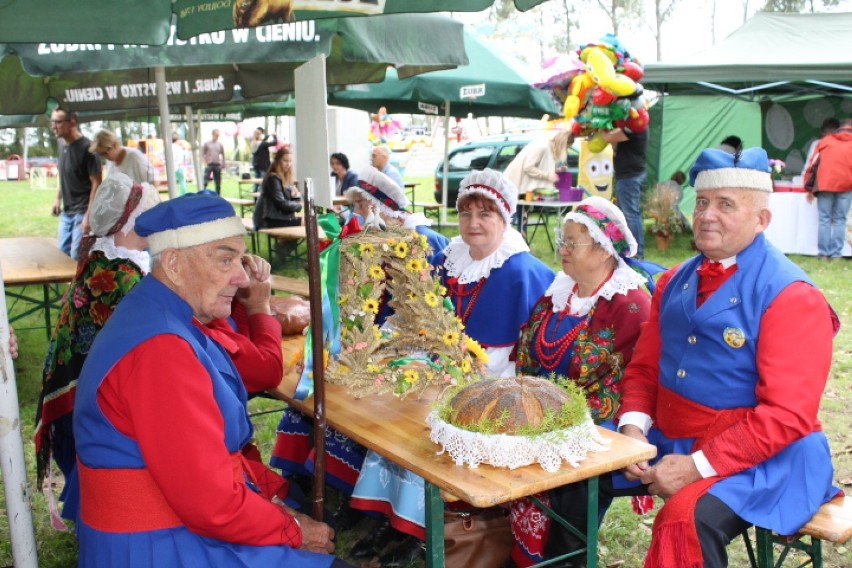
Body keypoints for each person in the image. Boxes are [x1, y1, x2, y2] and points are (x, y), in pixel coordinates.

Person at [72, 192, 349, 567]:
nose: (240, 276)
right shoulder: (161, 350)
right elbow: (212, 506)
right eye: (224, 259)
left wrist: (278, 504)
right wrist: (295, 530)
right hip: (162, 545)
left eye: (239, 258)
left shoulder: (160, 313)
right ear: (172, 262)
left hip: (176, 522)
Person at [617, 147, 840, 568]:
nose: (706, 215)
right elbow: (645, 370)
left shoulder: (792, 295)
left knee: (690, 519)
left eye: (725, 205)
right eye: (701, 202)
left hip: (768, 456)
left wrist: (696, 467)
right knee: (574, 472)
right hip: (672, 434)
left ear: (762, 220)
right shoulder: (672, 281)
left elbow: (787, 417)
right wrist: (632, 432)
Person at [347, 169, 554, 565]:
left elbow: (510, 358)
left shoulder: (519, 270)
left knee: (426, 424)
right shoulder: (450, 258)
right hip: (443, 371)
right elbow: (421, 314)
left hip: (493, 387)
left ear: (505, 217)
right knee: (393, 417)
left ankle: (423, 531)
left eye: (485, 214)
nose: (473, 224)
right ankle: (391, 521)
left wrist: (448, 373)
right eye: (466, 214)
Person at [510, 196, 654, 567]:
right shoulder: (559, 292)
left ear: (605, 249)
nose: (564, 249)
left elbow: (639, 379)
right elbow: (529, 352)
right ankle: (522, 551)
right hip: (546, 411)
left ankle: (567, 556)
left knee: (573, 467)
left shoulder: (630, 303)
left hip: (604, 420)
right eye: (564, 240)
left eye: (574, 241)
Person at [34, 172, 160, 519]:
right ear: (130, 221)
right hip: (84, 398)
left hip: (76, 385)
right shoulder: (121, 275)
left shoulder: (105, 259)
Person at [50, 107, 102, 260]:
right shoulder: (61, 144)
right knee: (62, 252)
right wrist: (57, 198)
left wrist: (88, 215)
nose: (53, 126)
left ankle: (81, 284)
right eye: (52, 121)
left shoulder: (88, 148)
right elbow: (64, 173)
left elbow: (97, 182)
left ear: (72, 123)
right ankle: (71, 284)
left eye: (58, 122)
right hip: (67, 211)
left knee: (76, 256)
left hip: (83, 210)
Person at [803, 117, 852, 260]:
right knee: (840, 220)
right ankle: (836, 254)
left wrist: (809, 187)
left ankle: (823, 254)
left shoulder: (825, 141)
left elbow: (813, 165)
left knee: (824, 219)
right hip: (847, 185)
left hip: (825, 184)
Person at [601, 127, 648, 258]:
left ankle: (637, 253)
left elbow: (608, 137)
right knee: (625, 215)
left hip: (630, 176)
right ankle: (627, 250)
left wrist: (600, 125)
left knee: (631, 215)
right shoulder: (631, 126)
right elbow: (614, 143)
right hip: (628, 175)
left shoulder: (634, 126)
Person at [504, 130, 574, 199]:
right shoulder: (542, 147)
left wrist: (557, 171)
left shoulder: (549, 148)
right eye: (567, 147)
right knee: (516, 209)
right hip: (516, 188)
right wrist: (548, 175)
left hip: (523, 189)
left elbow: (541, 167)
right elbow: (528, 167)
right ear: (563, 144)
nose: (566, 150)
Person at [253, 146, 302, 230]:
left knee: (310, 223)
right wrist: (299, 206)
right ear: (278, 161)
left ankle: (284, 244)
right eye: (285, 160)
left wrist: (296, 196)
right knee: (310, 223)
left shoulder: (286, 178)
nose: (288, 164)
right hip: (268, 220)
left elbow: (290, 202)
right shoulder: (273, 178)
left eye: (290, 161)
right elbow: (281, 203)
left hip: (281, 217)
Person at [89, 129, 157, 184]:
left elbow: (154, 180)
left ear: (115, 145)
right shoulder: (110, 161)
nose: (103, 157)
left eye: (105, 153)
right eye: (100, 154)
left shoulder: (134, 156)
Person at [251, 127, 278, 191]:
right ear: (259, 135)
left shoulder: (253, 143)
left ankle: (255, 198)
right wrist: (274, 135)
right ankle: (261, 197)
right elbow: (274, 143)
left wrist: (267, 136)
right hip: (263, 166)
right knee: (263, 182)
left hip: (256, 165)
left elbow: (263, 141)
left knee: (256, 182)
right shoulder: (262, 144)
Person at [202, 128, 226, 194]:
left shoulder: (220, 144)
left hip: (217, 164)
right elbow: (202, 154)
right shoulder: (207, 144)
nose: (217, 136)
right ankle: (203, 193)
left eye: (218, 135)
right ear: (212, 134)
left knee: (218, 182)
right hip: (209, 164)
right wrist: (205, 162)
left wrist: (223, 164)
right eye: (216, 135)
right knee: (205, 181)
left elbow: (223, 155)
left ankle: (218, 195)